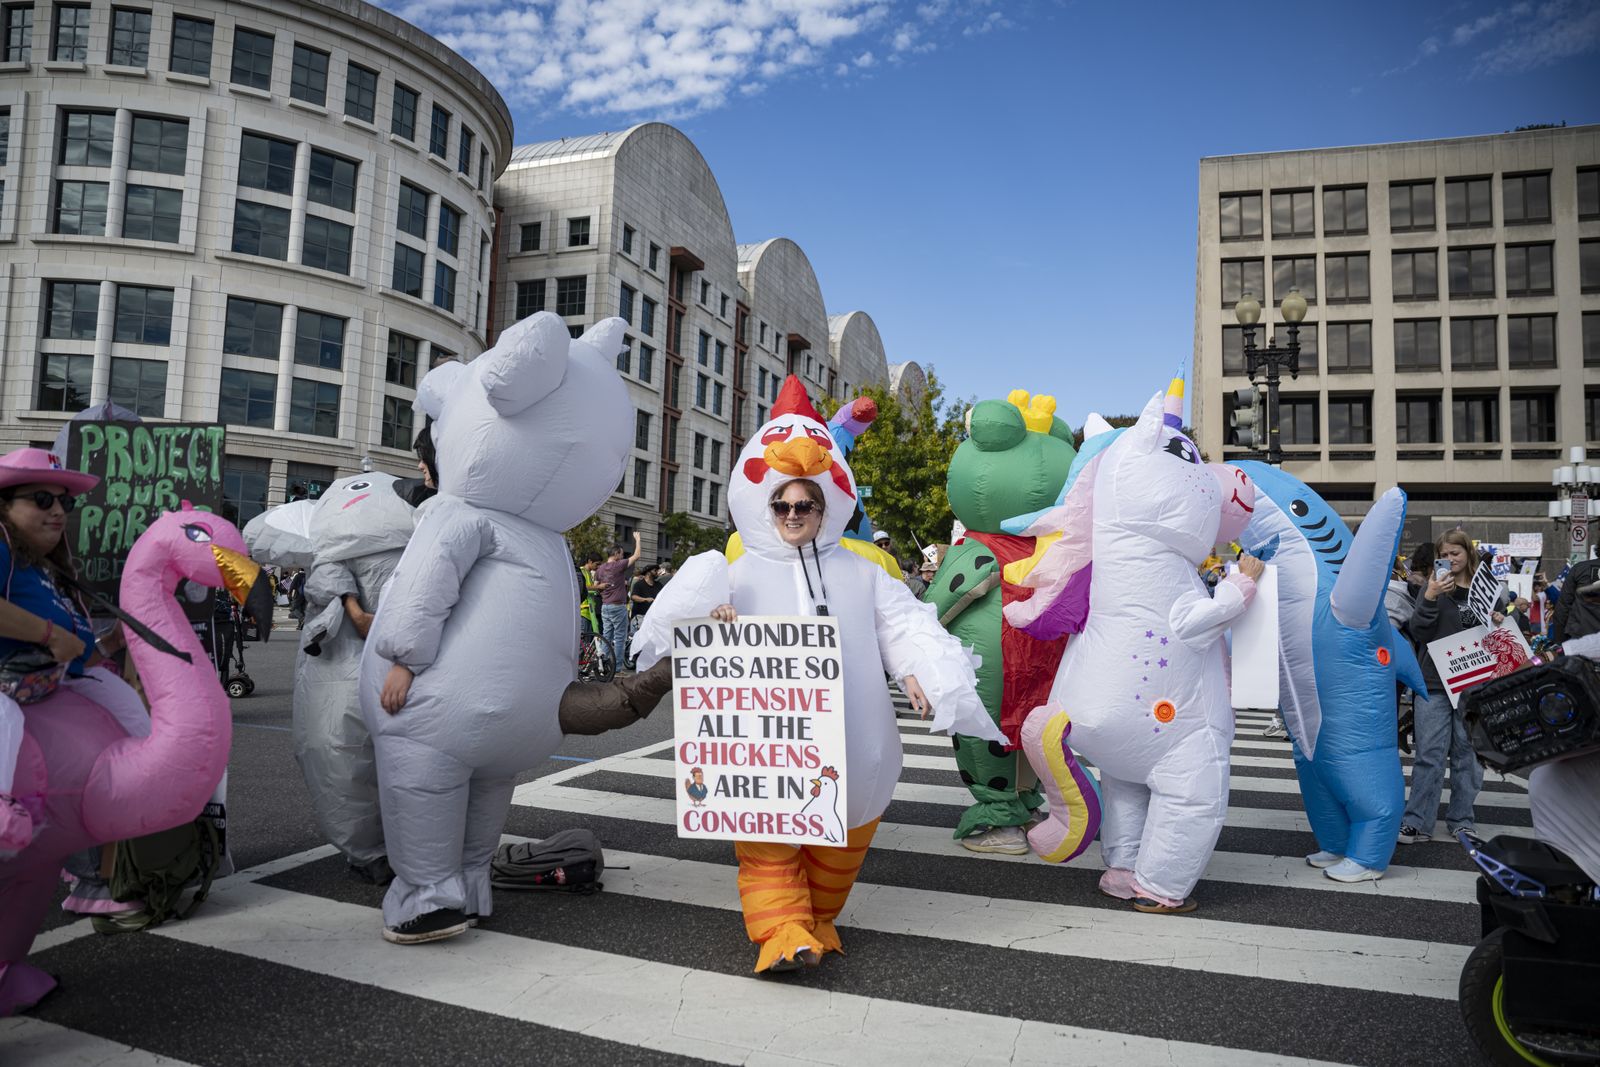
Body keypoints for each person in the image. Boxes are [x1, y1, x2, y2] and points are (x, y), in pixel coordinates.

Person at [632, 383, 1000, 972]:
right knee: (770, 844)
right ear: (762, 505)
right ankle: (782, 929)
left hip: (856, 741)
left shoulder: (865, 572)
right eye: (782, 504)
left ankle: (819, 917)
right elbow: (674, 637)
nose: (795, 514)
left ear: (828, 505)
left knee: (845, 839)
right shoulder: (728, 571)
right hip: (763, 750)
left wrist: (920, 673)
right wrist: (715, 621)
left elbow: (907, 625)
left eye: (807, 504)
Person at [0, 448, 147, 856]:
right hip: (8, 692)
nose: (58, 511)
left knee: (128, 712)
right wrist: (48, 634)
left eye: (65, 502)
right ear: (5, 506)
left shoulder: (50, 572)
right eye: (42, 500)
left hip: (54, 688)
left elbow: (79, 655)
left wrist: (109, 646)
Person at [1400, 529, 1506, 844]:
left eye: (1455, 553)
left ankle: (1461, 819)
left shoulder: (1485, 589)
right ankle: (1418, 821)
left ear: (1467, 553)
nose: (1449, 560)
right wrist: (1430, 596)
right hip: (1434, 682)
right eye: (1443, 555)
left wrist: (1498, 620)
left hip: (1474, 684)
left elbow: (1495, 639)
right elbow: (1419, 630)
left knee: (1468, 755)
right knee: (1429, 754)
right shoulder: (1432, 588)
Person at [594, 535, 641, 673]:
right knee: (620, 638)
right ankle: (618, 668)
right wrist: (637, 539)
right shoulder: (618, 565)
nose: (622, 556)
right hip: (617, 606)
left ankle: (603, 665)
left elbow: (597, 586)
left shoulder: (600, 569)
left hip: (605, 606)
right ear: (615, 554)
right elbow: (637, 556)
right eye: (621, 554)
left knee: (606, 636)